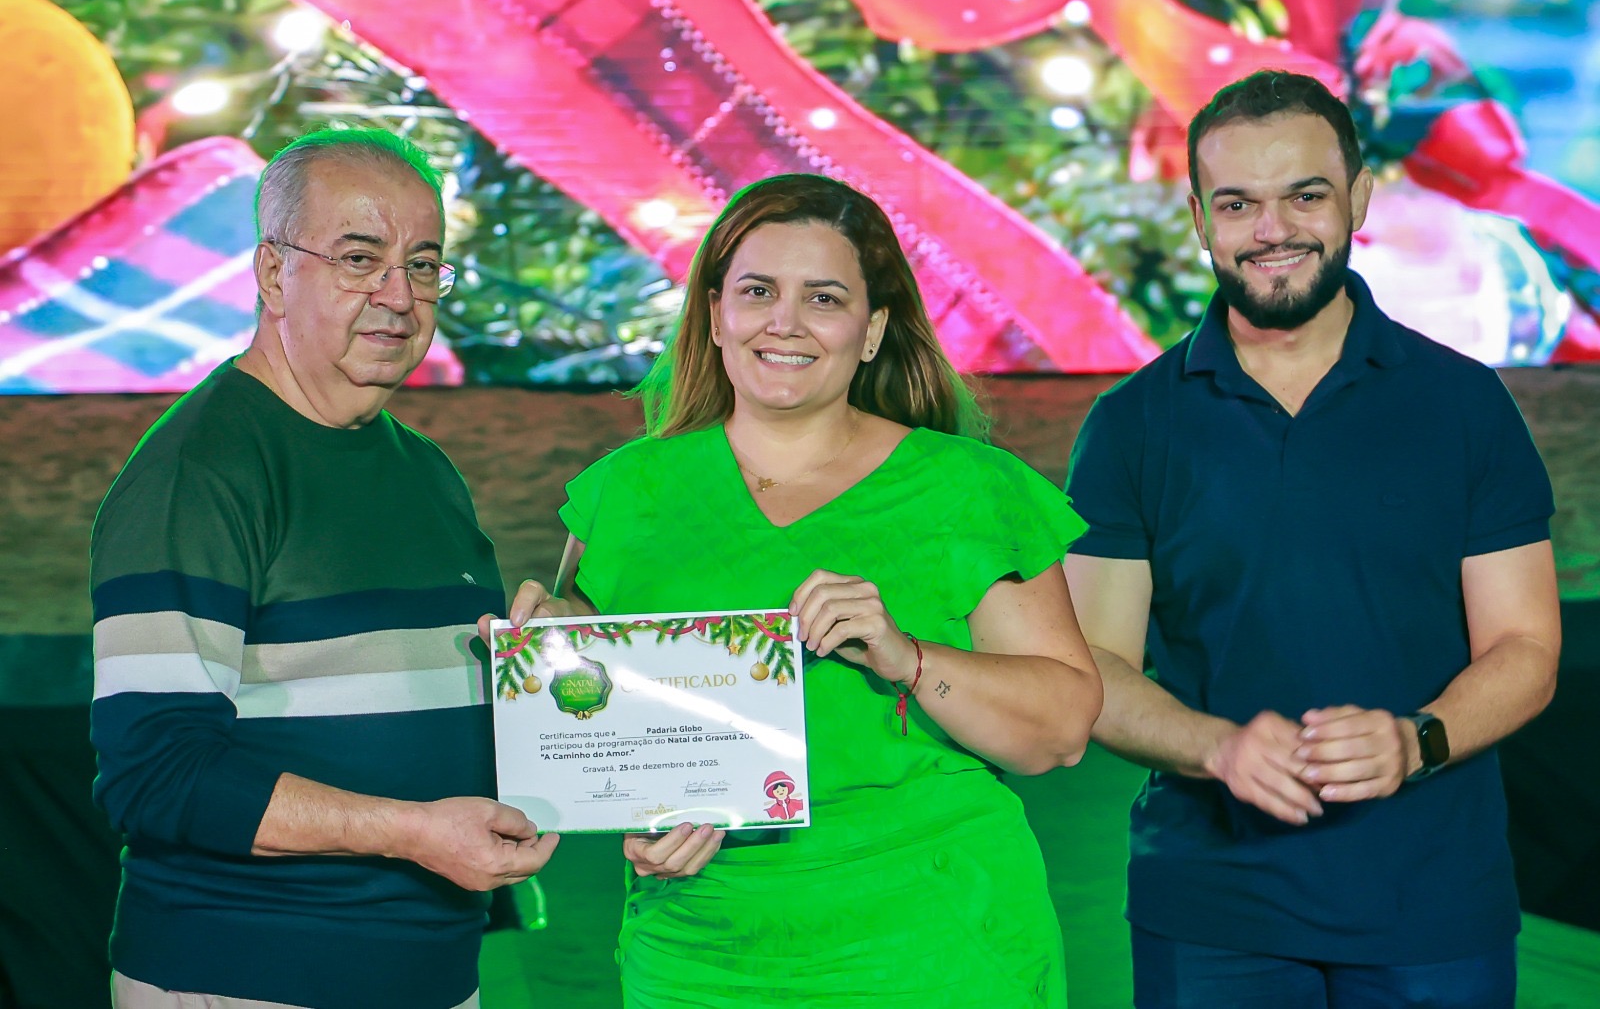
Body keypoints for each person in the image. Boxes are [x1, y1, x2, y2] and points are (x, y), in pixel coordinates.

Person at [489, 173, 1103, 1007]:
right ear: (715, 315)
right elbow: (605, 739)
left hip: (938, 947)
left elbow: (1060, 733)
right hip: (698, 956)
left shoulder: (972, 490)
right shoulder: (625, 493)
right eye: (757, 291)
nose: (784, 322)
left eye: (823, 297)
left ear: (872, 329)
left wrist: (909, 657)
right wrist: (554, 652)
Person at [1063, 69, 1561, 1008]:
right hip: (1211, 912)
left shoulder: (1464, 404)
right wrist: (1216, 747)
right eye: (1238, 204)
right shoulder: (1132, 423)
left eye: (1305, 196)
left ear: (1359, 199)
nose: (1273, 230)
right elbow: (1091, 665)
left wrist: (1417, 741)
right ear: (1200, 220)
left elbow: (1526, 647)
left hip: (1434, 905)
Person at [90, 129, 559, 1009]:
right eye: (358, 259)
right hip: (247, 978)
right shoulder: (200, 471)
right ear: (273, 274)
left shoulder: (426, 472)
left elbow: (421, 719)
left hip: (434, 974)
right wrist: (411, 832)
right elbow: (157, 774)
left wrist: (554, 668)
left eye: (423, 265)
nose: (399, 296)